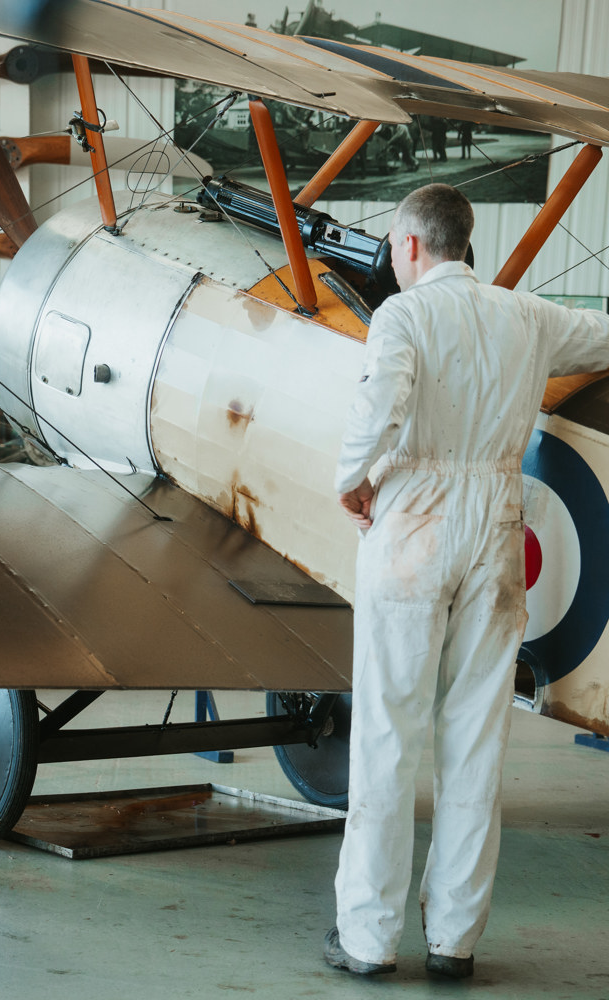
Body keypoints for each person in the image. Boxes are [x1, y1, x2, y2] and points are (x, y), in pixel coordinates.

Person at [325, 184, 609, 979]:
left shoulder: (402, 316)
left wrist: (350, 479)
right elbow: (602, 337)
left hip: (414, 515)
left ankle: (369, 940)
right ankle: (455, 942)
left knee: (387, 732)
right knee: (477, 739)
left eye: (390, 244)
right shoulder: (527, 316)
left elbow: (380, 406)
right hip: (496, 525)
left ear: (411, 245)